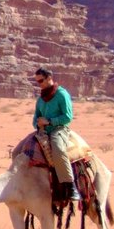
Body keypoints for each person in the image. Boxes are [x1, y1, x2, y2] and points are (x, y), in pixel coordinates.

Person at [33, 67, 78, 201]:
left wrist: (49, 121)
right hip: (43, 131)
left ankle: (70, 186)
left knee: (58, 149)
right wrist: (38, 123)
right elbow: (36, 117)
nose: (39, 84)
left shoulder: (61, 94)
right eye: (37, 82)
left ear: (49, 78)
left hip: (59, 129)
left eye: (41, 81)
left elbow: (68, 117)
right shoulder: (41, 99)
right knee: (21, 150)